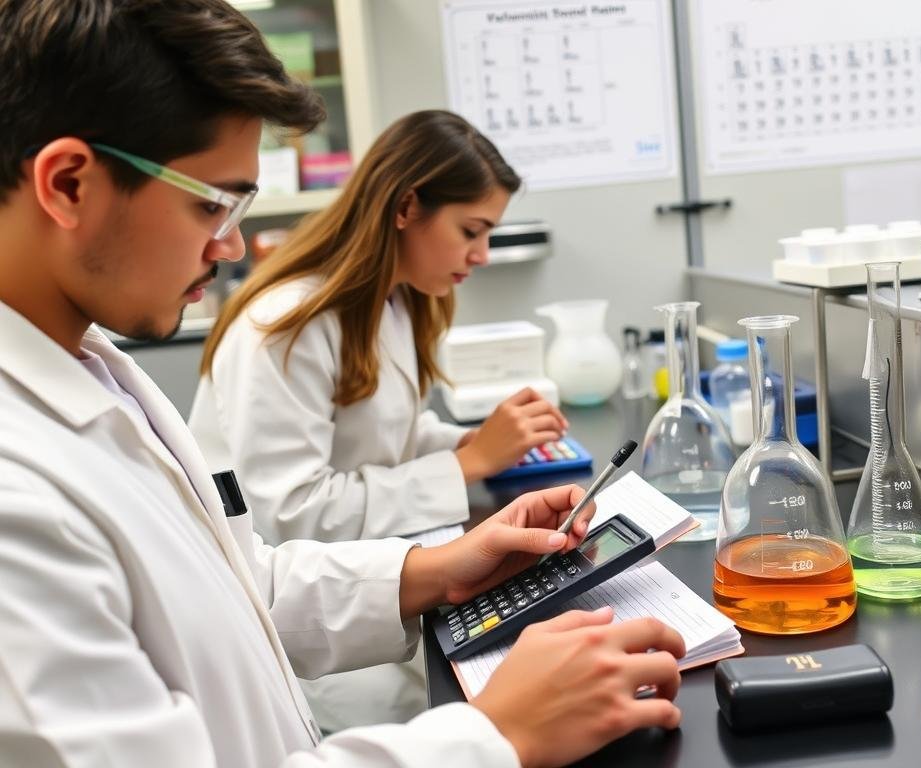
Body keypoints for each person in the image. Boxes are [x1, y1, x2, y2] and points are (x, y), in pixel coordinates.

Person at [0, 2, 686, 767]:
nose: (232, 246)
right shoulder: (16, 498)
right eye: (211, 204)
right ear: (68, 184)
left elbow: (239, 576)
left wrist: (440, 569)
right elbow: (291, 511)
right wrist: (492, 738)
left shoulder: (98, 372)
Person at [188, 109, 569, 728]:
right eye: (471, 231)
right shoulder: (287, 324)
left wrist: (476, 442)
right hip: (324, 636)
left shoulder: (391, 301)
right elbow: (291, 511)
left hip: (381, 588)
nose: (481, 255)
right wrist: (467, 463)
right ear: (407, 207)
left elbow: (381, 437)